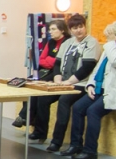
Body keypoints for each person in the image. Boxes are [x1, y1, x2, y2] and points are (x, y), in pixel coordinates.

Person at [61, 21, 116, 159]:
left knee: (93, 111)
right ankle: (75, 145)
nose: (107, 38)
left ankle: (90, 151)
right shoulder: (110, 48)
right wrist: (90, 85)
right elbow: (98, 69)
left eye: (109, 35)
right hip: (99, 88)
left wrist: (111, 44)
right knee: (78, 107)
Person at [30, 13, 102, 151]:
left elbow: (87, 67)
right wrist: (57, 78)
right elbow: (57, 63)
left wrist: (69, 81)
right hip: (63, 82)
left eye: (80, 27)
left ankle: (57, 141)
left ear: (85, 26)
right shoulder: (67, 43)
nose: (78, 30)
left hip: (81, 84)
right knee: (43, 98)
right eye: (74, 28)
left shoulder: (91, 42)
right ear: (70, 30)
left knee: (64, 100)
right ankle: (40, 132)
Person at [13, 19, 70, 128]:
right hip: (45, 70)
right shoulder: (50, 42)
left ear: (62, 30)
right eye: (50, 29)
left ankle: (24, 116)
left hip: (58, 73)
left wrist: (50, 60)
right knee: (27, 82)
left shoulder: (67, 42)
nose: (50, 32)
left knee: (38, 87)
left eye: (53, 29)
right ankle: (29, 117)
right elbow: (41, 60)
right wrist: (51, 60)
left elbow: (61, 61)